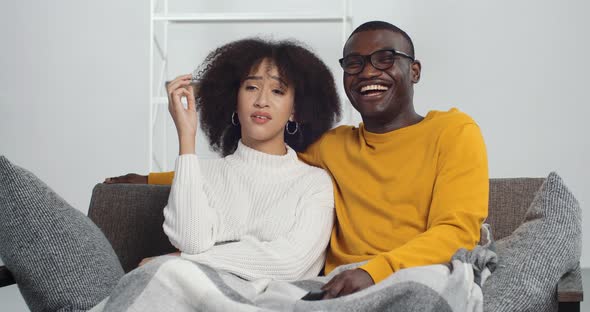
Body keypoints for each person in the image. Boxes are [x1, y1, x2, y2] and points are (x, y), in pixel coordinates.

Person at [107, 20, 489, 300]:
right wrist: (149, 178)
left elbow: (456, 232)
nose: (368, 71)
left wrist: (374, 272)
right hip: (332, 285)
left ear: (414, 70)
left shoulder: (454, 131)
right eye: (354, 63)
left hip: (406, 276)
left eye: (385, 58)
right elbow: (256, 162)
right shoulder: (333, 147)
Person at [0, 37, 340, 311]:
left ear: (295, 110)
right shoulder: (202, 172)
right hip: (187, 295)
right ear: (234, 100)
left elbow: (291, 263)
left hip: (262, 301)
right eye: (251, 88)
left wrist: (182, 260)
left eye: (278, 91)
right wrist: (186, 138)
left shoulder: (313, 183)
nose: (262, 100)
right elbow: (190, 237)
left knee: (168, 271)